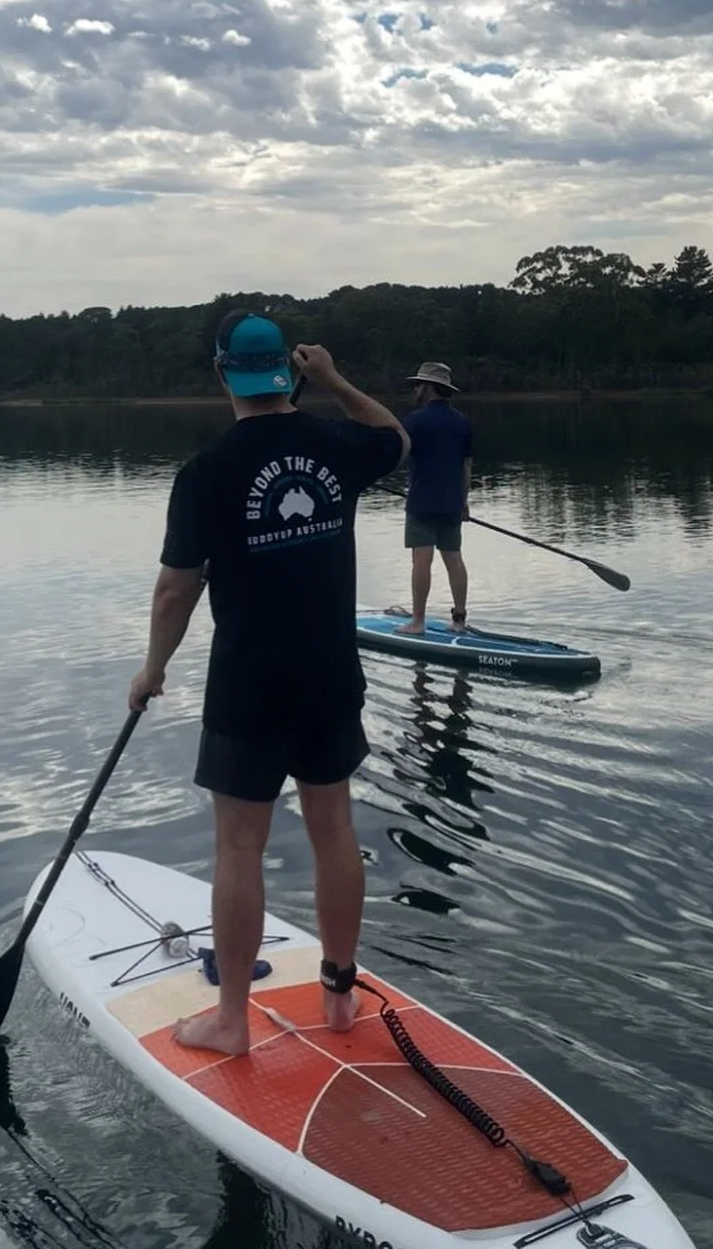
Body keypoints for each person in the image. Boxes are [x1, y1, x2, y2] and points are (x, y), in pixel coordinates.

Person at [128, 311, 409, 1057]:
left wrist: (153, 669)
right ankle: (340, 994)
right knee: (335, 830)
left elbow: (174, 591)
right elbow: (396, 437)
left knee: (238, 849)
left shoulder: (207, 472)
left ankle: (230, 1021)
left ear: (223, 373)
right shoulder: (338, 444)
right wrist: (336, 380)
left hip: (249, 688)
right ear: (288, 370)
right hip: (328, 678)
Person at [395, 361, 472, 635]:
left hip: (421, 503)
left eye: (418, 384)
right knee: (454, 560)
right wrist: (464, 502)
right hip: (452, 504)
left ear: (428, 388)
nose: (415, 389)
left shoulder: (414, 421)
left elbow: (399, 455)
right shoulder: (462, 422)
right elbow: (466, 467)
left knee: (421, 560)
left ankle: (417, 622)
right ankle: (459, 621)